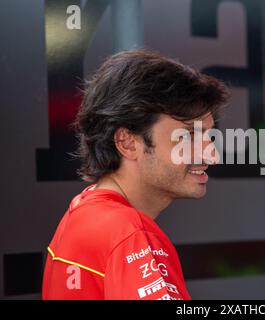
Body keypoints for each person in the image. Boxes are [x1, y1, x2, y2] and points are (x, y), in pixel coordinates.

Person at [42, 49, 229, 300]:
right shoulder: (130, 234)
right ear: (127, 143)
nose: (211, 155)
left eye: (209, 136)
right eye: (188, 136)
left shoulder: (83, 210)